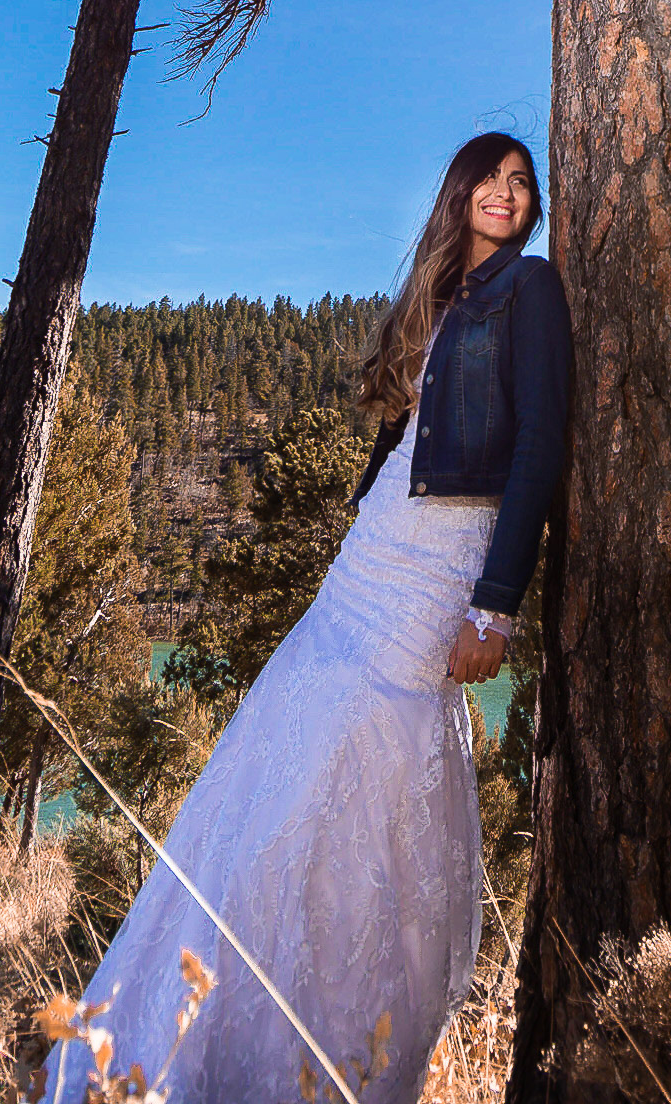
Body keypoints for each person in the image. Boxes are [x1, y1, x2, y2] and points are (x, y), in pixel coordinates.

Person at [51, 133, 570, 1104]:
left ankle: (340, 1052)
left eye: (521, 182)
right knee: (279, 768)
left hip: (446, 562)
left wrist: (495, 605)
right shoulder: (434, 295)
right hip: (369, 556)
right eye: (490, 179)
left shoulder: (530, 288)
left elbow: (540, 441)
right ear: (458, 192)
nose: (507, 193)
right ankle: (205, 1032)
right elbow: (397, 442)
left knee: (369, 771)